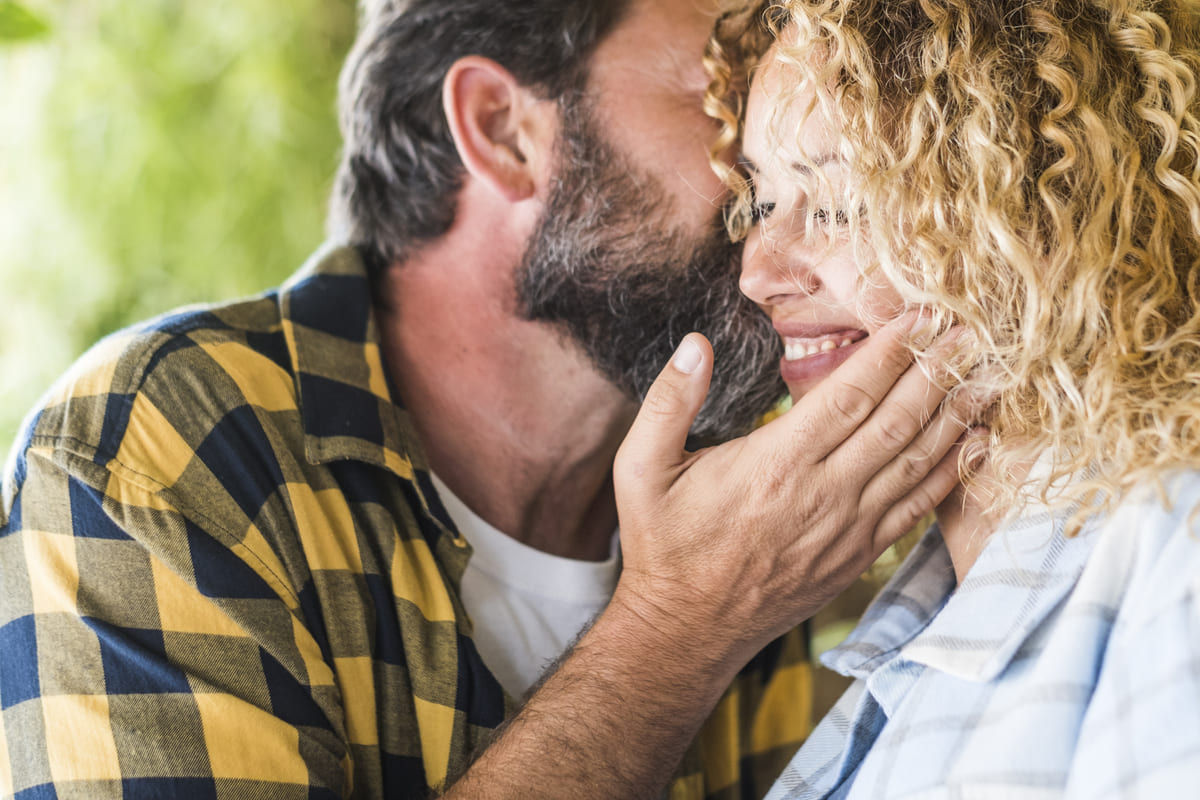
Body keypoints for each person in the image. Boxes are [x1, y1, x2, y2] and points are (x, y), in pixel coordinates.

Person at [0, 1, 971, 798]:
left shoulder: (753, 498)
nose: (776, 179)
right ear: (506, 132)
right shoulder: (151, 452)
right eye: (724, 104)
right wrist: (680, 630)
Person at [698, 0, 1200, 797]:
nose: (758, 272)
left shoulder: (1175, 554)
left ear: (1044, 214)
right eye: (762, 201)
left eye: (836, 203)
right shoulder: (919, 618)